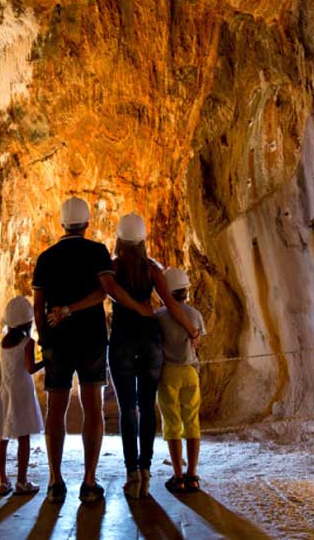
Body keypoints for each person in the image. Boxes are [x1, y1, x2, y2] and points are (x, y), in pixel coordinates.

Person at [31, 197, 153, 505]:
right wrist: (75, 309)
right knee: (92, 407)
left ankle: (55, 481)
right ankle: (88, 481)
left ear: (62, 224)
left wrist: (45, 339)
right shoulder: (98, 252)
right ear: (87, 224)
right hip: (91, 339)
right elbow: (106, 291)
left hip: (57, 341)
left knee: (55, 409)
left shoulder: (46, 258)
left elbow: (38, 305)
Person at [109, 213, 201, 500]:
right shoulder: (152, 270)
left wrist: (132, 307)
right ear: (143, 241)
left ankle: (132, 474)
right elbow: (170, 304)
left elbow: (108, 290)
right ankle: (146, 470)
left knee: (128, 409)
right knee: (147, 407)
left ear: (119, 240)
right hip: (149, 341)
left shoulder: (112, 269)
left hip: (123, 339)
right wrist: (192, 330)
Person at [155, 267, 206, 494]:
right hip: (190, 371)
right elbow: (197, 342)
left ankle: (178, 476)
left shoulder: (159, 317)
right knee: (192, 422)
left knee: (172, 424)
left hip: (168, 372)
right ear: (185, 290)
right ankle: (192, 475)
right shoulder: (195, 314)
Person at [0, 295, 44, 496]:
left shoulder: (3, 343)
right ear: (28, 322)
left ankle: (2, 481)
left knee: (2, 437)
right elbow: (30, 368)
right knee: (23, 437)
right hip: (23, 393)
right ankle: (22, 481)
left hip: (6, 390)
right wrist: (47, 361)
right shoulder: (28, 342)